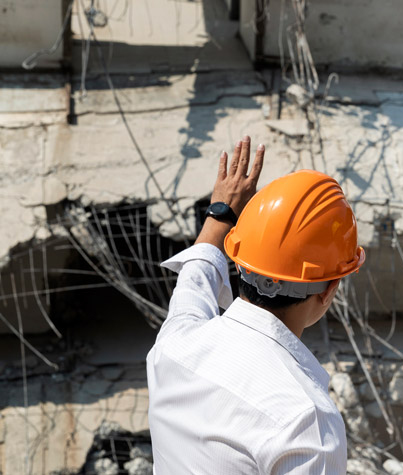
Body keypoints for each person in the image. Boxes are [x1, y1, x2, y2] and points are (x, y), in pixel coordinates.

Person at [146, 137, 365, 473]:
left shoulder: (176, 343)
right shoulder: (306, 421)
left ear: (240, 262)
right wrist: (223, 215)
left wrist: (221, 212)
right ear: (328, 289)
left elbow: (196, 276)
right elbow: (197, 275)